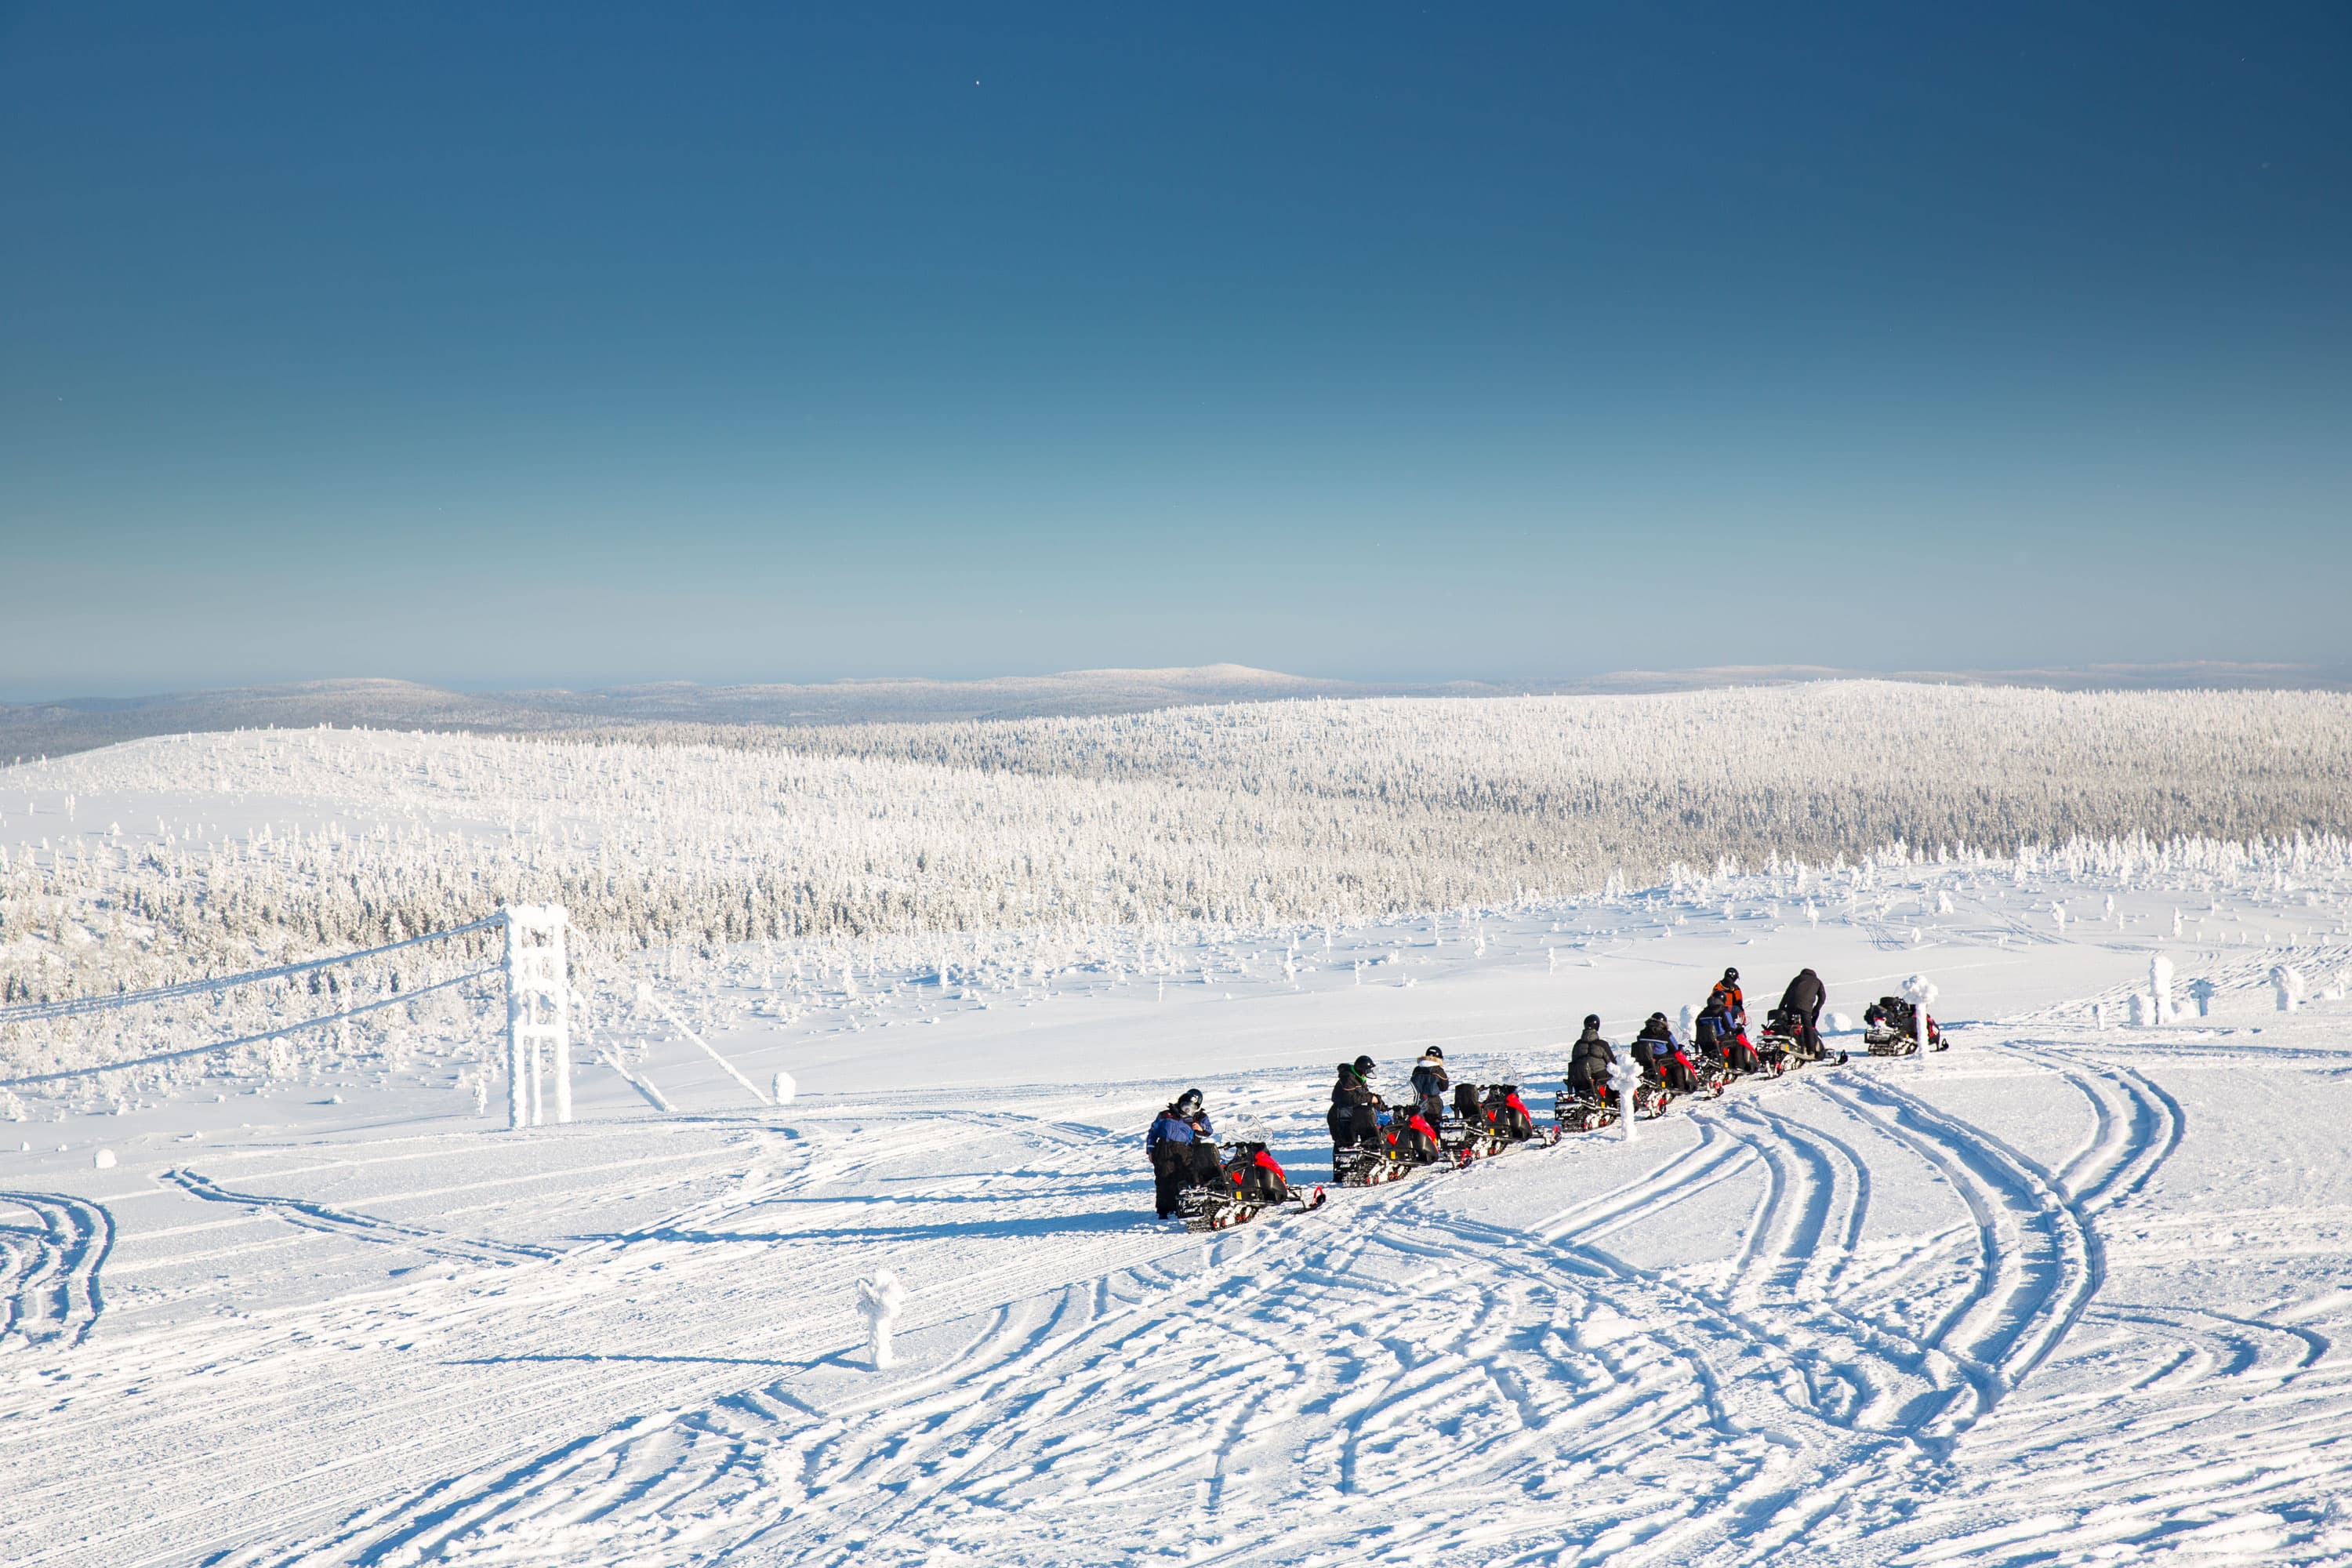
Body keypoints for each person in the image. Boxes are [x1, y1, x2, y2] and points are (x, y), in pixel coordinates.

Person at [1146, 1089, 1218, 1219]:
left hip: (1184, 1150)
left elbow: (1209, 1130)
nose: (1188, 1108)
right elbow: (1153, 1132)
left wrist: (1201, 1129)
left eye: (1193, 1106)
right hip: (1164, 1148)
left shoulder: (1199, 1117)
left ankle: (1182, 1207)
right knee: (1163, 1178)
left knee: (1183, 1177)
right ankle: (1164, 1210)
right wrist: (1150, 1150)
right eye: (1187, 1104)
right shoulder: (1166, 1114)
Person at [1328, 1054, 1381, 1171]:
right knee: (1346, 1145)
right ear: (1362, 1070)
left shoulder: (1358, 1078)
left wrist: (1377, 1100)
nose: (1369, 1073)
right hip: (1340, 1116)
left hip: (1351, 1114)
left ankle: (1366, 1164)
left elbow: (1362, 1095)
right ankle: (1343, 1172)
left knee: (1368, 1134)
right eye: (1367, 1070)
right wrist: (1369, 1098)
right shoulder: (1348, 1078)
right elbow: (1351, 1098)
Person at [1638, 1011, 1697, 1094]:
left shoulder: (1643, 1032)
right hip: (1661, 1058)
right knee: (1677, 1066)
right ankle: (1679, 1087)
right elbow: (1675, 1048)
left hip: (1645, 1058)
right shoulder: (1666, 1034)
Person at [1778, 967, 1828, 1056]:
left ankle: (1788, 1045)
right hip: (1806, 1008)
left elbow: (1787, 993)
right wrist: (1816, 1010)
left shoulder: (1797, 979)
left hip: (1791, 1006)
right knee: (1808, 1027)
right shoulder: (1817, 981)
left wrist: (1781, 1008)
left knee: (1788, 1025)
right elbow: (1822, 998)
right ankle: (1811, 1051)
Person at [1568, 1014, 1614, 1103]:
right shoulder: (1601, 1044)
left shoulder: (1577, 1044)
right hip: (1598, 1074)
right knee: (1617, 1077)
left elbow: (1574, 1060)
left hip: (1581, 1076)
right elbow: (1612, 1062)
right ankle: (1617, 1100)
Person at [1410, 1047, 1450, 1124]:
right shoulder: (1438, 1070)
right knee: (1434, 1126)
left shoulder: (1417, 1069)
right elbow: (1444, 1087)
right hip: (1433, 1103)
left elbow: (1412, 1083)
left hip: (1418, 1101)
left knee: (1419, 1126)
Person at [1708, 967, 1748, 1033]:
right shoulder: (1735, 988)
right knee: (1740, 1032)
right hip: (1729, 1014)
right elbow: (1739, 1004)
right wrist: (1743, 1021)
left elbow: (1711, 999)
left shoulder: (1717, 986)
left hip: (1716, 1013)